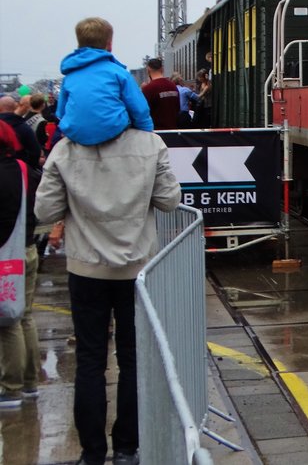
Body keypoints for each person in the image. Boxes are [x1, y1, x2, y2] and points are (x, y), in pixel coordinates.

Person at [35, 113, 181, 465]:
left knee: (90, 361)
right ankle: (127, 449)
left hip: (86, 269)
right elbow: (170, 200)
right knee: (132, 360)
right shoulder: (150, 144)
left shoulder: (66, 149)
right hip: (136, 271)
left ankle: (92, 453)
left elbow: (44, 209)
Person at [58, 18, 154, 145]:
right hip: (115, 136)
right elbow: (140, 111)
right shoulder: (119, 73)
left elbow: (61, 113)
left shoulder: (69, 77)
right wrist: (148, 136)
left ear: (79, 43)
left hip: (77, 139)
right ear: (109, 44)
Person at [0, 119, 41, 408]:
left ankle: (10, 388)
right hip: (26, 250)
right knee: (24, 317)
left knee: (6, 324)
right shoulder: (26, 170)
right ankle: (30, 383)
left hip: (3, 256)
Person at [141, 58, 179, 130]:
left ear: (148, 70)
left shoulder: (148, 89)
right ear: (162, 69)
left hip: (156, 133)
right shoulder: (173, 86)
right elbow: (177, 108)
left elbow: (143, 113)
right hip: (173, 131)